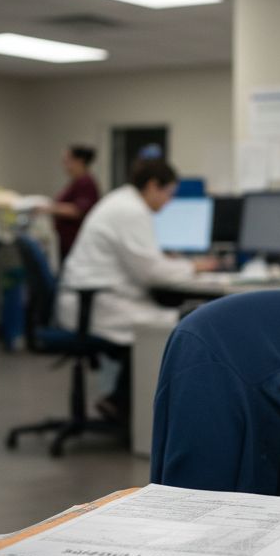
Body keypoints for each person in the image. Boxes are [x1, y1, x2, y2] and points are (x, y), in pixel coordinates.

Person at [56, 158, 217, 417]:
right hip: (94, 304)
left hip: (95, 299)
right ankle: (129, 407)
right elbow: (152, 272)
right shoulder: (130, 210)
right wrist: (194, 267)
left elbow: (144, 262)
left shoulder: (122, 201)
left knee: (158, 321)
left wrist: (174, 263)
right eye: (168, 194)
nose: (169, 202)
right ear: (153, 186)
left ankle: (119, 401)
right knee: (170, 325)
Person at [47, 144, 100, 263]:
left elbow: (78, 210)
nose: (64, 165)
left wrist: (49, 208)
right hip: (66, 243)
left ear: (79, 161)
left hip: (75, 243)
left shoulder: (86, 182)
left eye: (67, 161)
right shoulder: (76, 182)